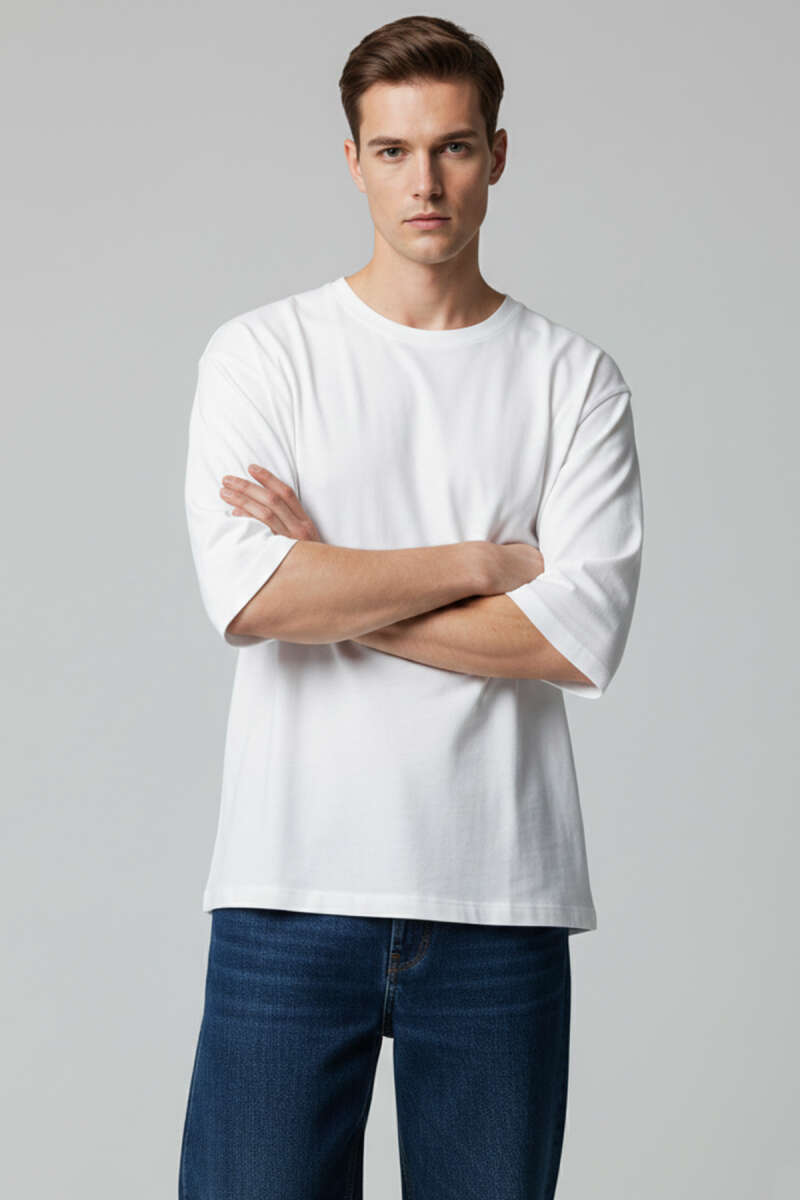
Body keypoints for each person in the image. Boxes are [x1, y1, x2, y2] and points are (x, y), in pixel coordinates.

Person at [178, 14, 644, 1200]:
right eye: (391, 151)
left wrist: (335, 581)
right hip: (290, 889)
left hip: (499, 897)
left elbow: (568, 638)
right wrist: (483, 561)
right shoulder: (262, 356)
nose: (423, 183)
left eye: (451, 148)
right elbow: (254, 595)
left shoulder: (571, 380)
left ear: (497, 154)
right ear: (353, 162)